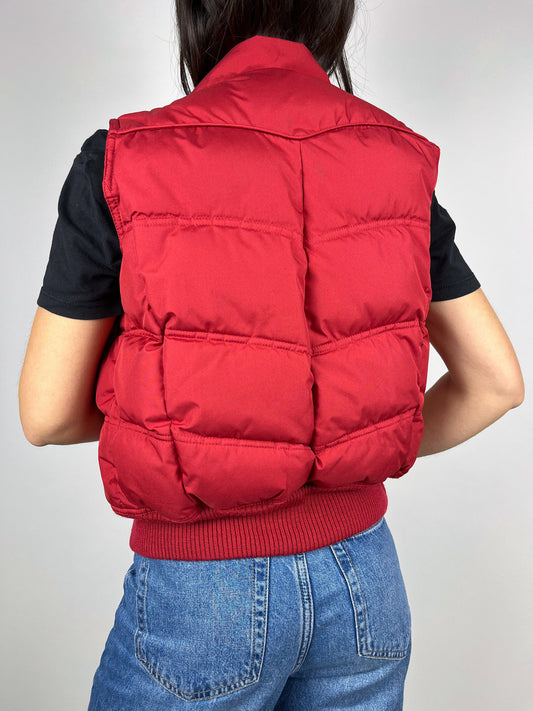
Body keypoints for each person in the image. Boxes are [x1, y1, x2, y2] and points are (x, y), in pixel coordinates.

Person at [18, 2, 524, 710]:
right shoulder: (397, 157)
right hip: (365, 585)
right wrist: (345, 448)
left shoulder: (125, 158)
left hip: (205, 591)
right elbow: (496, 384)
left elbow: (46, 415)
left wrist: (179, 421)